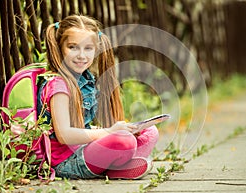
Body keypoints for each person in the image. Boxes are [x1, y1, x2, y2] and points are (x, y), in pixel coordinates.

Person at [37, 15, 159, 180]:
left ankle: (115, 168)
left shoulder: (85, 80)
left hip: (83, 149)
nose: (81, 55)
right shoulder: (58, 85)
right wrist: (108, 132)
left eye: (88, 48)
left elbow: (83, 127)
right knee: (124, 142)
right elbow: (64, 135)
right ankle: (114, 167)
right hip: (66, 162)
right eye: (73, 47)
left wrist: (116, 130)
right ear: (60, 48)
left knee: (149, 132)